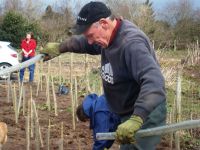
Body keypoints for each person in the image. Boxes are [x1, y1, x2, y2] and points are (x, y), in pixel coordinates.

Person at [41, 1, 167, 149]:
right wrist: (60, 47)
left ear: (104, 23)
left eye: (90, 35)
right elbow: (85, 43)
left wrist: (137, 118)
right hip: (124, 107)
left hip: (145, 112)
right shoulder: (106, 35)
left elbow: (154, 81)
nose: (90, 41)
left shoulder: (131, 44)